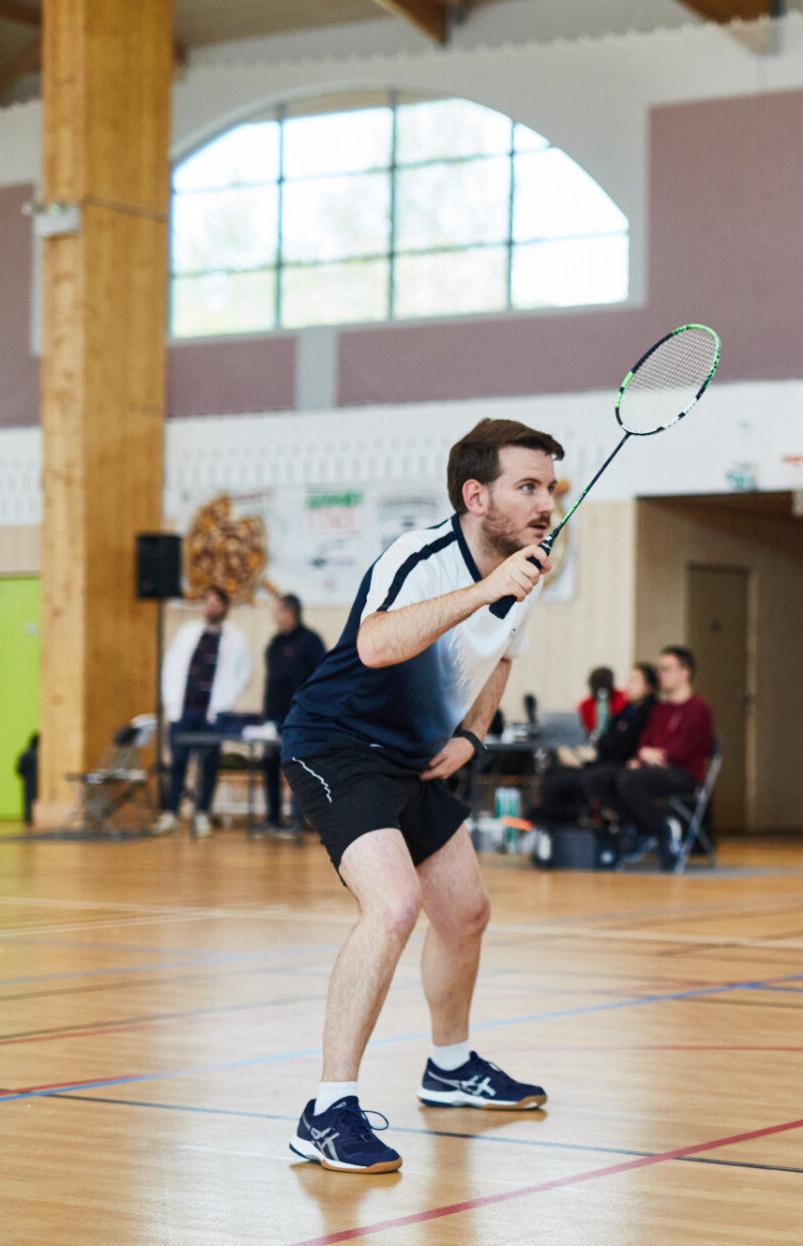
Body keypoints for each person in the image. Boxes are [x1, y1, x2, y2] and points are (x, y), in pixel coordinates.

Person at [277, 418, 562, 1174]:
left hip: (414, 758)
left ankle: (451, 1068)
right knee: (395, 906)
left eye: (550, 488)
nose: (545, 504)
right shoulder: (421, 555)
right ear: (476, 495)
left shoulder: (527, 569)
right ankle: (326, 1111)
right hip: (336, 744)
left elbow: (502, 655)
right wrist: (486, 589)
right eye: (527, 487)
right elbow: (374, 645)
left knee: (465, 912)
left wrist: (472, 734)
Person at [581, 646, 713, 871]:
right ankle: (650, 828)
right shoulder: (660, 709)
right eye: (660, 669)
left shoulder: (698, 709)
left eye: (666, 669)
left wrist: (653, 755)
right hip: (651, 770)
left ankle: (661, 830)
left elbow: (681, 751)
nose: (661, 674)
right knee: (596, 778)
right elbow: (643, 744)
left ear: (685, 672)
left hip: (682, 774)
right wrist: (644, 755)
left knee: (628, 780)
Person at [157, 586, 251, 837]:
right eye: (207, 602)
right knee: (177, 762)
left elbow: (243, 674)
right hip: (184, 710)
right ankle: (171, 813)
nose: (210, 607)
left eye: (216, 603)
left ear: (224, 607)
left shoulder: (236, 638)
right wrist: (170, 702)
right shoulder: (187, 632)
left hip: (212, 713)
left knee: (209, 765)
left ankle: (202, 814)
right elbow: (171, 666)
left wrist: (225, 701)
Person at [532, 663, 657, 826]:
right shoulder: (626, 709)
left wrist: (610, 741)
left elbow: (621, 742)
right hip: (603, 761)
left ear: (649, 686)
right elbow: (609, 739)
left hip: (619, 766)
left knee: (564, 782)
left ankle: (561, 824)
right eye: (629, 680)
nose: (628, 686)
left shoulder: (649, 710)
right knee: (551, 772)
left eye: (634, 681)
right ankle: (554, 825)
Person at [262, 593, 327, 835]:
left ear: (289, 613)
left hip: (300, 718)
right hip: (274, 719)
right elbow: (271, 682)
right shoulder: (275, 643)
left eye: (278, 611)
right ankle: (272, 819)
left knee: (297, 767)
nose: (275, 616)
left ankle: (297, 821)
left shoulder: (311, 641)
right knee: (269, 764)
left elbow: (321, 678)